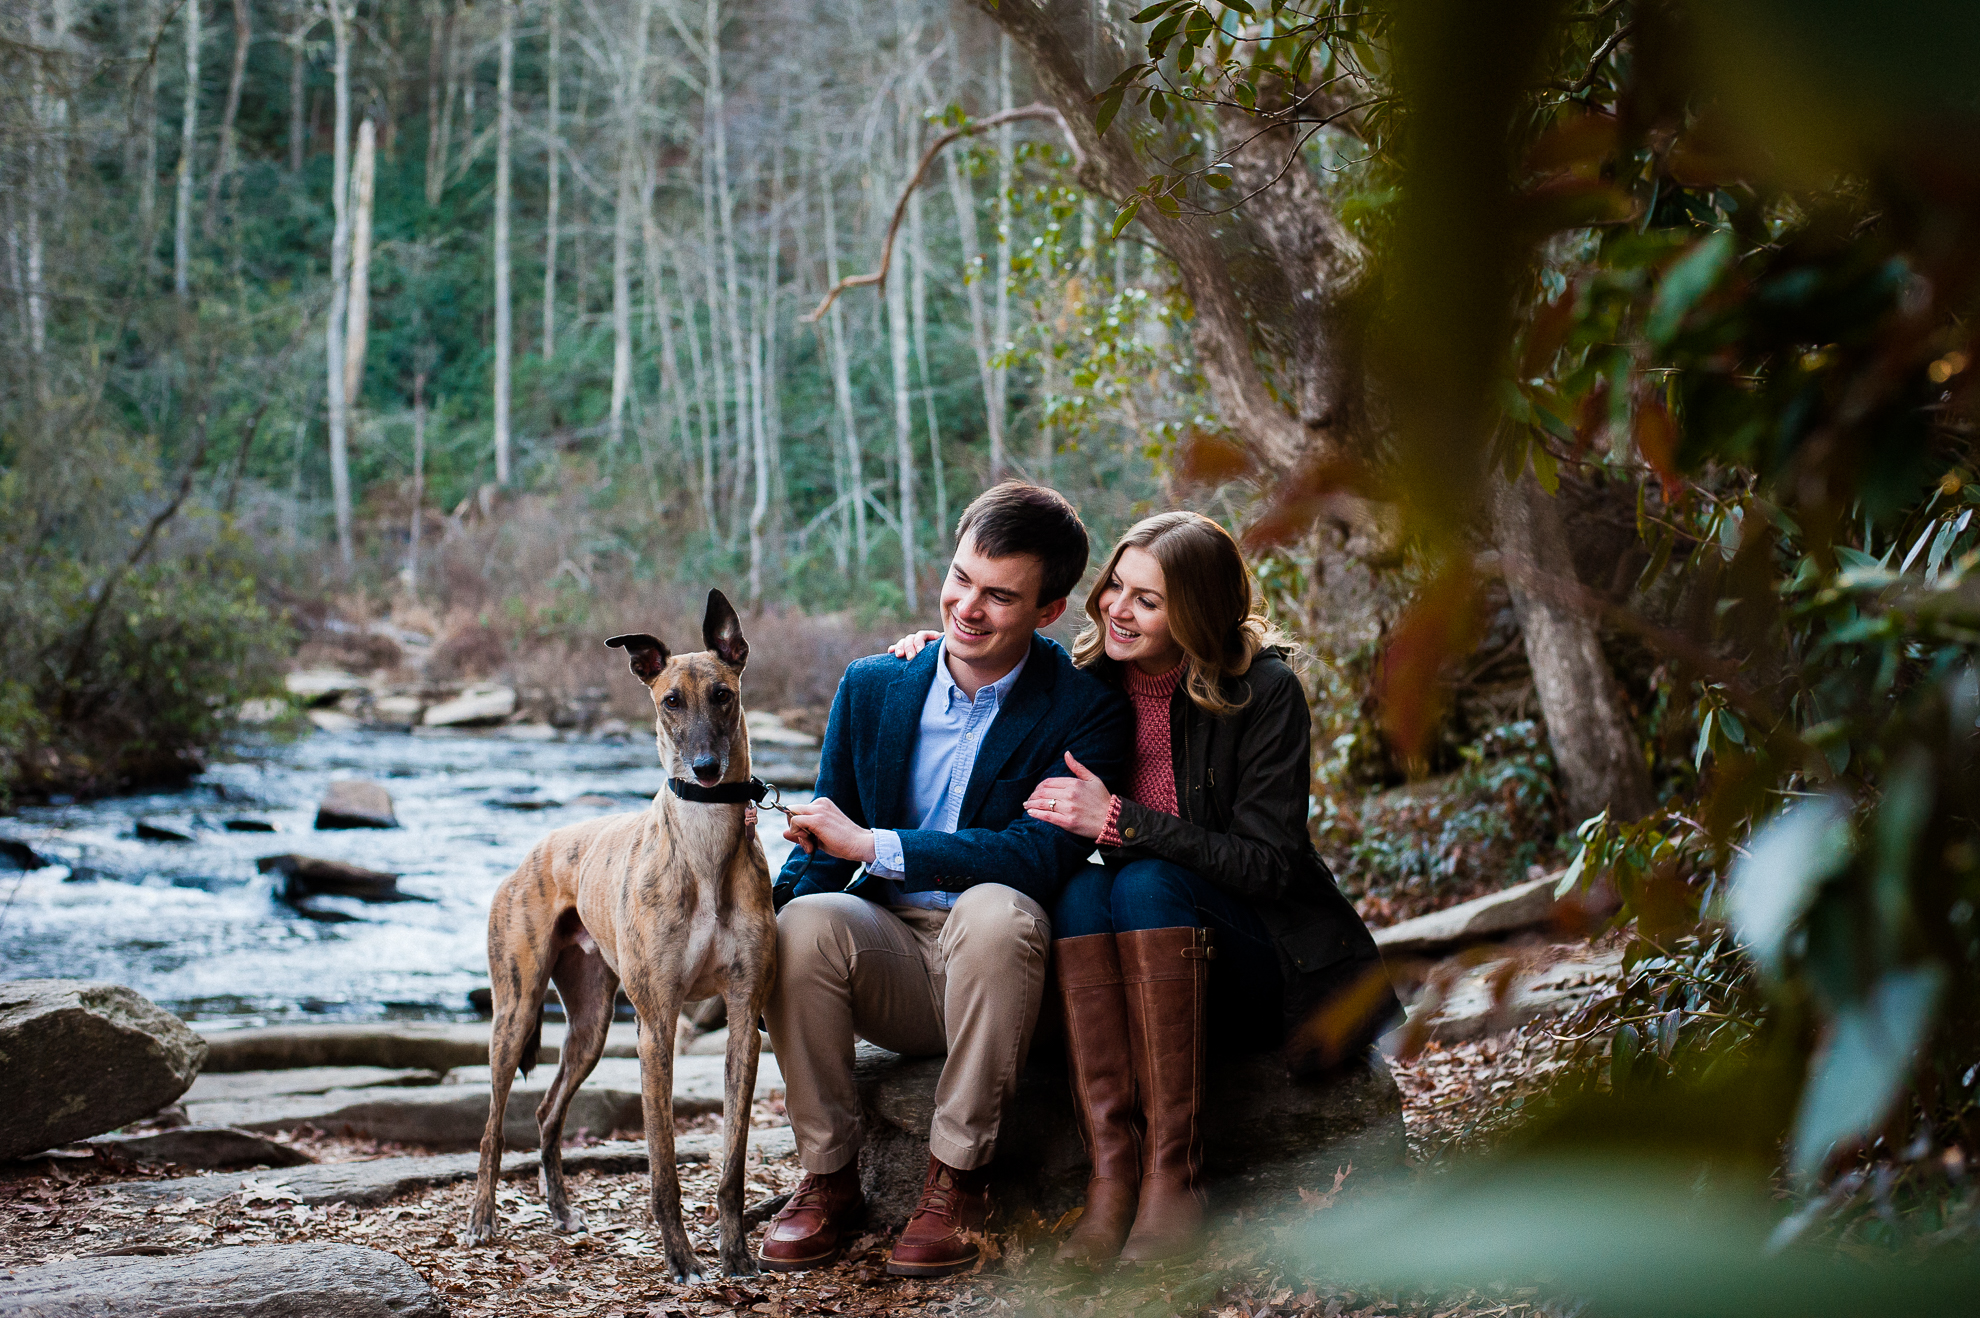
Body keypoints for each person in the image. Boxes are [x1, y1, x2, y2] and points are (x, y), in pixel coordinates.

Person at [888, 510, 1402, 1267]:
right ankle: (1113, 1177)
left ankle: (1175, 1178)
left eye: (1148, 600)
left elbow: (1270, 865)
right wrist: (934, 658)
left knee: (1147, 879)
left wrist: (1123, 821)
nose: (1117, 610)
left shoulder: (1264, 692)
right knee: (1083, 896)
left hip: (1260, 960)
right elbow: (997, 675)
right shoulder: (1092, 687)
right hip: (1152, 961)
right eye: (1115, 588)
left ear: (1194, 612)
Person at [756, 482, 1133, 1278]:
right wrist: (757, 941)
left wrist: (876, 843)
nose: (968, 606)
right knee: (803, 922)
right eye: (961, 578)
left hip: (999, 966)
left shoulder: (1084, 709)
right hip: (889, 955)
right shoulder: (874, 685)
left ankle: (958, 1180)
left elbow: (1035, 857)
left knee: (1000, 908)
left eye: (1000, 596)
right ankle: (829, 1178)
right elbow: (827, 841)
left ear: (1049, 609)